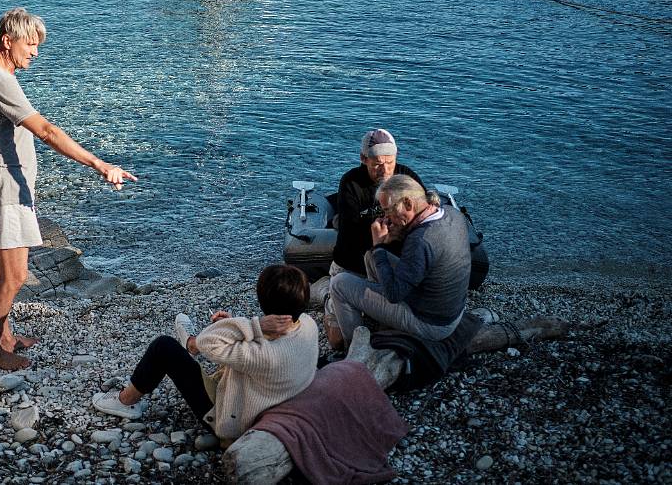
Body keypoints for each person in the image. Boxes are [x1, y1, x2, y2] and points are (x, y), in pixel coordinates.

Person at [0, 7, 137, 371]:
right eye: (30, 44)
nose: (36, 52)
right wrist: (100, 164)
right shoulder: (1, 80)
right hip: (7, 186)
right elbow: (47, 131)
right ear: (7, 41)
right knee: (15, 274)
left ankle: (5, 337)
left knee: (1, 269)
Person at [92, 265, 319, 443]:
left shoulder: (259, 355)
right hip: (272, 397)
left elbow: (205, 343)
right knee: (211, 342)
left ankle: (126, 401)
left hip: (233, 417)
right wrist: (235, 325)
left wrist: (254, 324)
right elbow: (266, 343)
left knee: (164, 347)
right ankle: (188, 340)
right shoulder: (308, 326)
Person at [326, 175, 470, 351]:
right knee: (370, 258)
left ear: (408, 204)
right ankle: (381, 322)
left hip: (431, 324)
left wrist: (379, 246)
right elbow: (422, 262)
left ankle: (356, 351)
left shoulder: (420, 241)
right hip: (450, 310)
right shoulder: (452, 214)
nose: (386, 217)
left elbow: (394, 295)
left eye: (388, 210)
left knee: (339, 283)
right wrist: (394, 238)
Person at [331, 128, 424, 277]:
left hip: (396, 256)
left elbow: (424, 213)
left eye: (390, 162)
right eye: (377, 164)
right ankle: (323, 290)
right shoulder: (351, 182)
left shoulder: (406, 177)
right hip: (354, 262)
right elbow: (349, 232)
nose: (385, 170)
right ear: (363, 158)